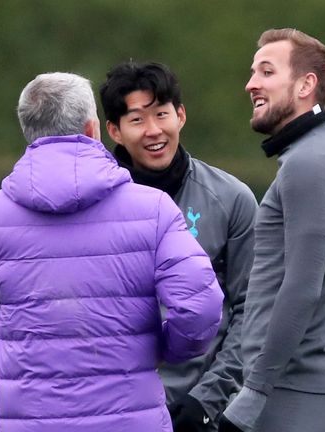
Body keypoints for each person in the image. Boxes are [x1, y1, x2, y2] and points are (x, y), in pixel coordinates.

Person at [0, 72, 224, 432]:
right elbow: (200, 308)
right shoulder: (154, 208)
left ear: (29, 132)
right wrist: (162, 350)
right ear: (92, 129)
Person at [219, 29, 325, 432]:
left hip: (291, 397)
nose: (251, 83)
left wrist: (255, 389)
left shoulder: (309, 162)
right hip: (324, 390)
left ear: (306, 85)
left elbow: (304, 286)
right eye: (253, 72)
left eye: (266, 71)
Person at [99, 61, 258, 432]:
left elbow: (252, 311)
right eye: (137, 120)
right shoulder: (92, 203)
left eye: (162, 114)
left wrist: (205, 399)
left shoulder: (232, 200)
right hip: (109, 412)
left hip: (197, 415)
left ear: (181, 115)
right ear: (114, 131)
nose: (154, 130)